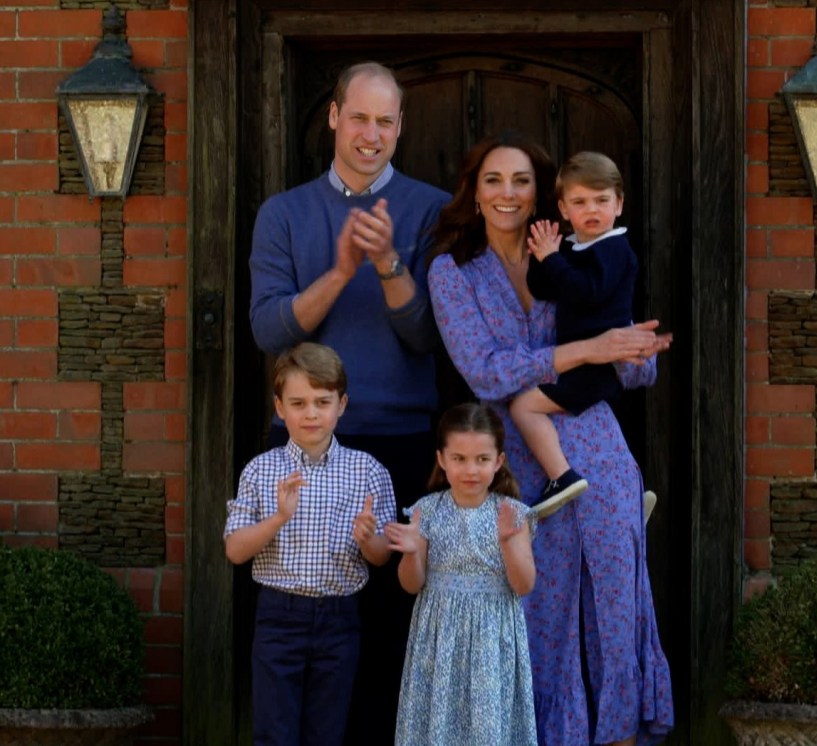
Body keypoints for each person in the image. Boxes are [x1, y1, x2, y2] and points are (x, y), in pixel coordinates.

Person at [427, 130, 674, 746]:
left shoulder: (577, 250)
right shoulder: (452, 271)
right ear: (474, 194)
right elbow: (484, 370)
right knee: (538, 616)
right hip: (516, 462)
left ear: (544, 196)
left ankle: (620, 734)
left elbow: (631, 363)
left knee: (617, 610)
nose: (507, 193)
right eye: (493, 180)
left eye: (521, 181)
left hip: (598, 448)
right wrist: (588, 349)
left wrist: (635, 351)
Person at [247, 61, 449, 743]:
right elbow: (269, 330)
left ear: (400, 127)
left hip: (400, 441)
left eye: (385, 121)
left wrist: (389, 263)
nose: (371, 134)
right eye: (358, 117)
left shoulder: (432, 209)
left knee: (391, 625)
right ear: (333, 116)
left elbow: (428, 337)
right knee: (302, 621)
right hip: (306, 443)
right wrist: (339, 271)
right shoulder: (285, 213)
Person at [223, 342, 395, 746]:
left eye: (322, 401)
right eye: (298, 403)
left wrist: (369, 539)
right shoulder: (261, 470)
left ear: (342, 404)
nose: (311, 414)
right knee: (274, 732)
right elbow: (234, 550)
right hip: (279, 616)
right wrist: (279, 517)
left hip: (339, 618)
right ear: (280, 408)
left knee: (327, 732)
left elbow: (382, 556)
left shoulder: (367, 471)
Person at [385, 402, 538, 746]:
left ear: (498, 461)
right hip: (439, 638)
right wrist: (411, 553)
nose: (471, 469)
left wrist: (510, 543)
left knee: (487, 726)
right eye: (459, 458)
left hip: (492, 639)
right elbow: (412, 585)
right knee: (439, 723)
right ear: (441, 459)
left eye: (482, 459)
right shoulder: (426, 511)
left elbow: (524, 584)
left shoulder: (513, 514)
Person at [511, 151, 639, 518]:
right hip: (578, 362)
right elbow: (544, 288)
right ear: (564, 210)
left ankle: (561, 477)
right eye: (580, 202)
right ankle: (622, 497)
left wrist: (554, 259)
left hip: (595, 367)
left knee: (524, 406)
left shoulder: (614, 248)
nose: (592, 210)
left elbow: (587, 292)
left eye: (602, 200)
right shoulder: (574, 247)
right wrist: (542, 255)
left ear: (619, 204)